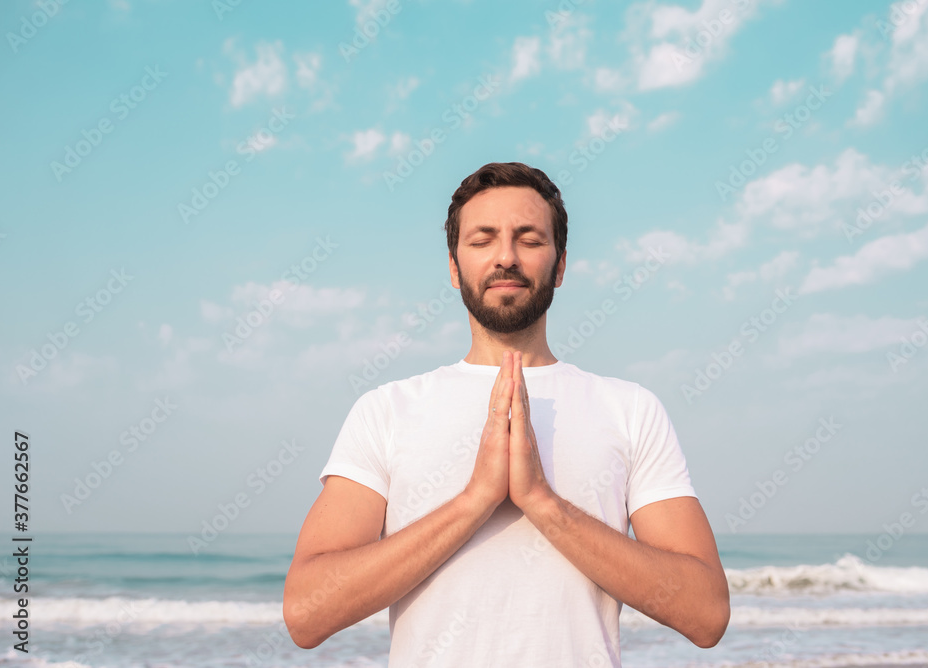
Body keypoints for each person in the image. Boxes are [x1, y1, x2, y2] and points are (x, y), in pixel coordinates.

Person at [283, 162, 730, 666]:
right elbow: (306, 613)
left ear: (560, 265)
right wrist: (474, 501)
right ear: (454, 267)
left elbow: (706, 613)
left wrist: (542, 502)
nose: (506, 257)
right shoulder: (386, 410)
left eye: (529, 239)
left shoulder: (630, 409)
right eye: (483, 239)